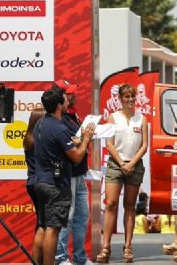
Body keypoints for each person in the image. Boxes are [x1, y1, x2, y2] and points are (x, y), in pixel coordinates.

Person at [34, 88, 95, 265]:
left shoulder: (40, 124)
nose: (69, 102)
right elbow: (76, 157)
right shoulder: (59, 128)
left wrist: (76, 141)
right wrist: (86, 139)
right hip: (56, 185)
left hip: (41, 182)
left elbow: (57, 144)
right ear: (59, 106)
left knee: (44, 228)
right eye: (65, 100)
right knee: (53, 230)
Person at [96, 84, 149, 264]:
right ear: (120, 98)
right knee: (110, 203)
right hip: (115, 164)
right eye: (126, 96)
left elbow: (144, 146)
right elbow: (108, 143)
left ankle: (127, 247)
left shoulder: (142, 119)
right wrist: (121, 163)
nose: (130, 99)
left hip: (135, 164)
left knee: (130, 205)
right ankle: (106, 247)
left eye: (132, 96)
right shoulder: (113, 117)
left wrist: (132, 163)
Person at [53, 79, 92, 265]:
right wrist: (85, 137)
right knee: (67, 218)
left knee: (81, 217)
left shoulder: (73, 115)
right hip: (68, 174)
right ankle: (61, 258)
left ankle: (80, 257)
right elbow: (73, 144)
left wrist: (87, 135)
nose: (74, 95)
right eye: (69, 93)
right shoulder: (59, 118)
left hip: (80, 173)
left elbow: (79, 140)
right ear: (61, 96)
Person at [23, 109, 46, 261]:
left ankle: (39, 260)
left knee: (41, 222)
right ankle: (38, 261)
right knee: (43, 225)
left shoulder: (28, 139)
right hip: (42, 183)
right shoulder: (41, 140)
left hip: (32, 182)